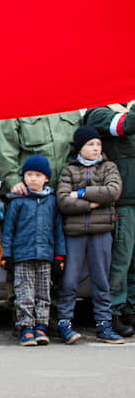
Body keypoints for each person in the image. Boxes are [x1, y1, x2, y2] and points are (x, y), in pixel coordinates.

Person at [0, 112, 82, 311]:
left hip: (61, 197)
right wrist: (13, 181)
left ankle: (51, 313)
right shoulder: (15, 106)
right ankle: (22, 315)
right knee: (22, 259)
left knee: (56, 257)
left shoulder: (70, 106)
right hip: (26, 197)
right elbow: (2, 148)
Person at [55, 126, 124, 344]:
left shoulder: (109, 167)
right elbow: (64, 201)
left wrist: (82, 193)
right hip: (74, 233)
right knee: (69, 280)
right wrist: (93, 204)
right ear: (80, 148)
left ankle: (104, 325)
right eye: (90, 144)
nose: (95, 149)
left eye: (98, 144)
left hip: (101, 232)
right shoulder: (69, 171)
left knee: (101, 280)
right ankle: (65, 323)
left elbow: (113, 192)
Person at [0, 155, 66, 346]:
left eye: (38, 175)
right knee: (24, 293)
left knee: (43, 294)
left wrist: (60, 256)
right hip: (23, 256)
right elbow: (8, 231)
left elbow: (58, 231)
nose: (33, 179)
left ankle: (41, 327)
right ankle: (26, 327)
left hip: (45, 255)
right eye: (29, 174)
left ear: (46, 178)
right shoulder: (17, 202)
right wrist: (6, 255)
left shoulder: (52, 202)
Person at [85, 102, 135, 337]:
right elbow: (124, 125)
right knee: (120, 263)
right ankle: (112, 313)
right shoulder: (99, 111)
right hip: (122, 202)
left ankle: (131, 311)